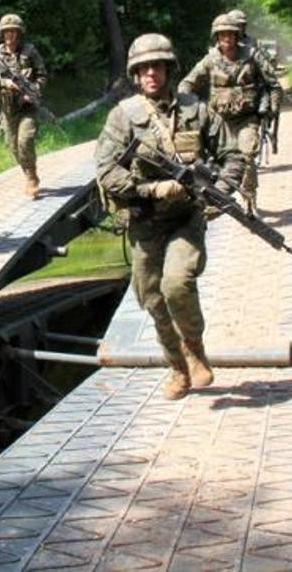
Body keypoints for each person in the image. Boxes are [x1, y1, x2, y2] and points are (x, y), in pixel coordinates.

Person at [95, 34, 231, 400]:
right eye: (143, 68)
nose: (151, 73)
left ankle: (195, 349)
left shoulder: (196, 110)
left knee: (177, 282)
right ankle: (177, 367)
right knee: (153, 299)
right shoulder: (124, 116)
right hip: (145, 220)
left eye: (157, 66)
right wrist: (152, 190)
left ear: (169, 69)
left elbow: (230, 155)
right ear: (135, 74)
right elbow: (107, 171)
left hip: (186, 219)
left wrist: (221, 190)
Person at [178, 9, 282, 215]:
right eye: (222, 34)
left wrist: (272, 110)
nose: (227, 38)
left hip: (247, 118)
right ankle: (208, 197)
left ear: (238, 35)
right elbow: (186, 84)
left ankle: (249, 197)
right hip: (218, 120)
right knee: (205, 158)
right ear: (216, 36)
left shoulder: (252, 57)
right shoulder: (210, 60)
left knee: (248, 154)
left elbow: (274, 85)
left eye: (231, 34)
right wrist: (190, 108)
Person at [0, 13, 49, 198]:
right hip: (7, 107)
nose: (10, 35)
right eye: (6, 32)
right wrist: (4, 83)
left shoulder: (30, 51)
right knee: (13, 146)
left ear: (19, 33)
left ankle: (31, 178)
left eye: (13, 32)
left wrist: (33, 91)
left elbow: (42, 75)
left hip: (27, 107)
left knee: (25, 140)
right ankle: (28, 171)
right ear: (2, 34)